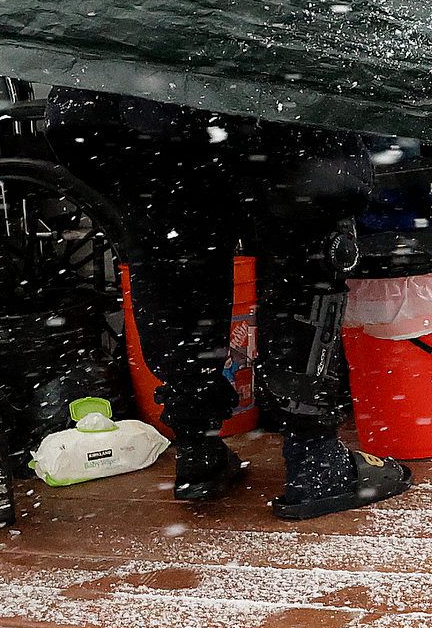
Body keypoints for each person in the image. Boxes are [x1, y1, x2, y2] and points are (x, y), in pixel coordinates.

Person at [46, 90, 412, 522]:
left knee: (174, 244)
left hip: (110, 101)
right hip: (249, 91)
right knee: (308, 235)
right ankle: (315, 459)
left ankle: (197, 448)